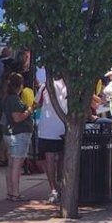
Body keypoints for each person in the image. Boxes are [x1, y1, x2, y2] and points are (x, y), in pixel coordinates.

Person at [35, 71, 67, 204]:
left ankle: (53, 188)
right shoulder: (70, 87)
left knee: (49, 159)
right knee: (62, 158)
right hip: (63, 126)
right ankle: (60, 184)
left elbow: (37, 103)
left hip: (47, 128)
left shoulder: (45, 86)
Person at [2, 73, 33, 201]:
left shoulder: (8, 98)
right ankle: (15, 193)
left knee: (11, 164)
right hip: (18, 134)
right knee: (16, 164)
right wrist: (29, 111)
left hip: (10, 134)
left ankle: (10, 191)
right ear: (20, 85)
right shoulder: (14, 99)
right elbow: (17, 117)